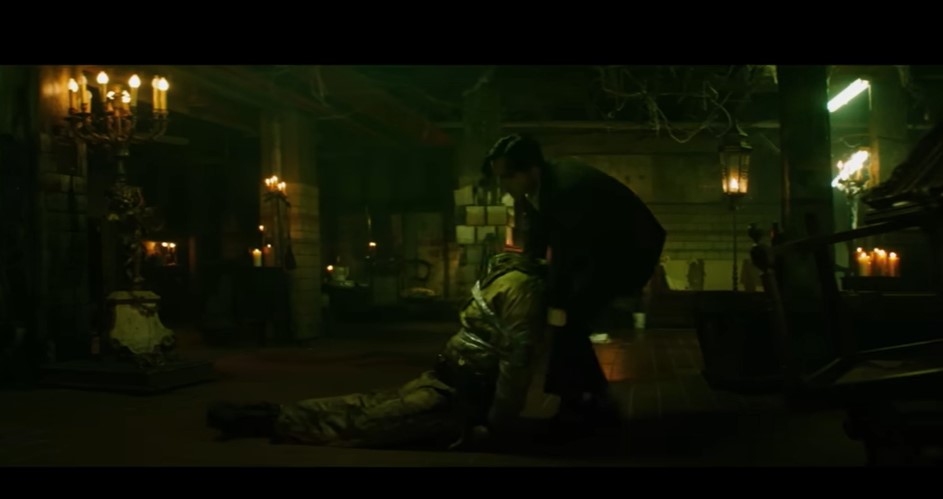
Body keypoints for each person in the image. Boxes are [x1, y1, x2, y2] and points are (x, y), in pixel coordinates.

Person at [206, 252, 547, 449]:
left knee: (369, 421)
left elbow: (516, 363)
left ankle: (267, 421)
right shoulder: (514, 279)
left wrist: (497, 425)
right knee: (366, 404)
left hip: (460, 399)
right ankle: (268, 413)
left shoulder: (523, 288)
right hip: (445, 380)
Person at [480, 134, 666, 425]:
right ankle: (585, 397)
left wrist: (555, 301)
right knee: (568, 322)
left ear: (531, 170)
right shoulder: (539, 187)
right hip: (600, 248)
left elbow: (568, 253)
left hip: (627, 251)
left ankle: (581, 399)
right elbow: (539, 237)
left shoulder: (566, 190)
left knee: (569, 318)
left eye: (508, 176)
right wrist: (526, 270)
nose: (504, 184)